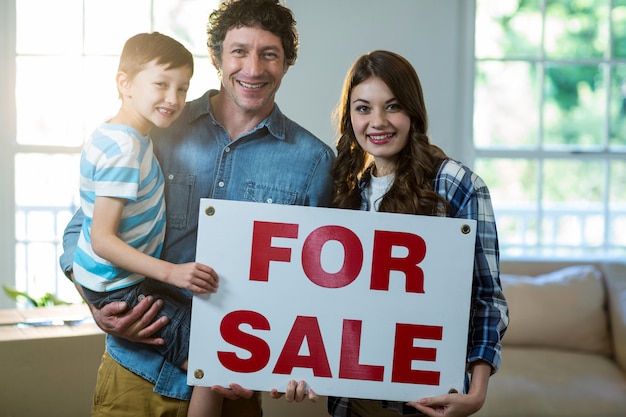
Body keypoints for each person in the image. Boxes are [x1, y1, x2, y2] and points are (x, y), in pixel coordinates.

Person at [59, 0, 334, 416]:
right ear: (217, 56)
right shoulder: (159, 127)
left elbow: (317, 286)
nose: (253, 68)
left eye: (269, 54)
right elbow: (82, 231)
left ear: (287, 63)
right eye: (239, 51)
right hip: (136, 372)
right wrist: (99, 306)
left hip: (234, 385)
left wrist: (301, 361)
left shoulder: (312, 161)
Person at [326, 50, 509, 417]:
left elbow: (487, 298)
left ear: (413, 112)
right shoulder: (349, 192)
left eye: (392, 106)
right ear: (350, 117)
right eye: (363, 108)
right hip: (350, 400)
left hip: (425, 400)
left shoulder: (457, 184)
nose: (378, 122)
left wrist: (476, 392)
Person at [72, 31, 224, 416]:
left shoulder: (125, 136)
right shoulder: (123, 148)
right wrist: (172, 273)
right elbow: (102, 239)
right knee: (211, 356)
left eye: (182, 88)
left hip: (116, 281)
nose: (173, 99)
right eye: (160, 84)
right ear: (124, 83)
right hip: (121, 286)